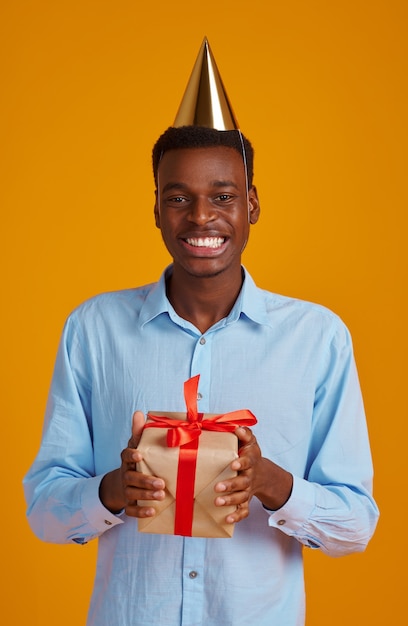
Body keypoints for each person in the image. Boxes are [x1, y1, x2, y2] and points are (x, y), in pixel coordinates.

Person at [24, 40, 379, 626]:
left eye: (222, 197)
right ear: (156, 209)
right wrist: (111, 492)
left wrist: (273, 485)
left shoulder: (317, 338)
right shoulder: (93, 330)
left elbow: (355, 527)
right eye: (177, 198)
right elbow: (44, 511)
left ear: (252, 205)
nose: (200, 218)